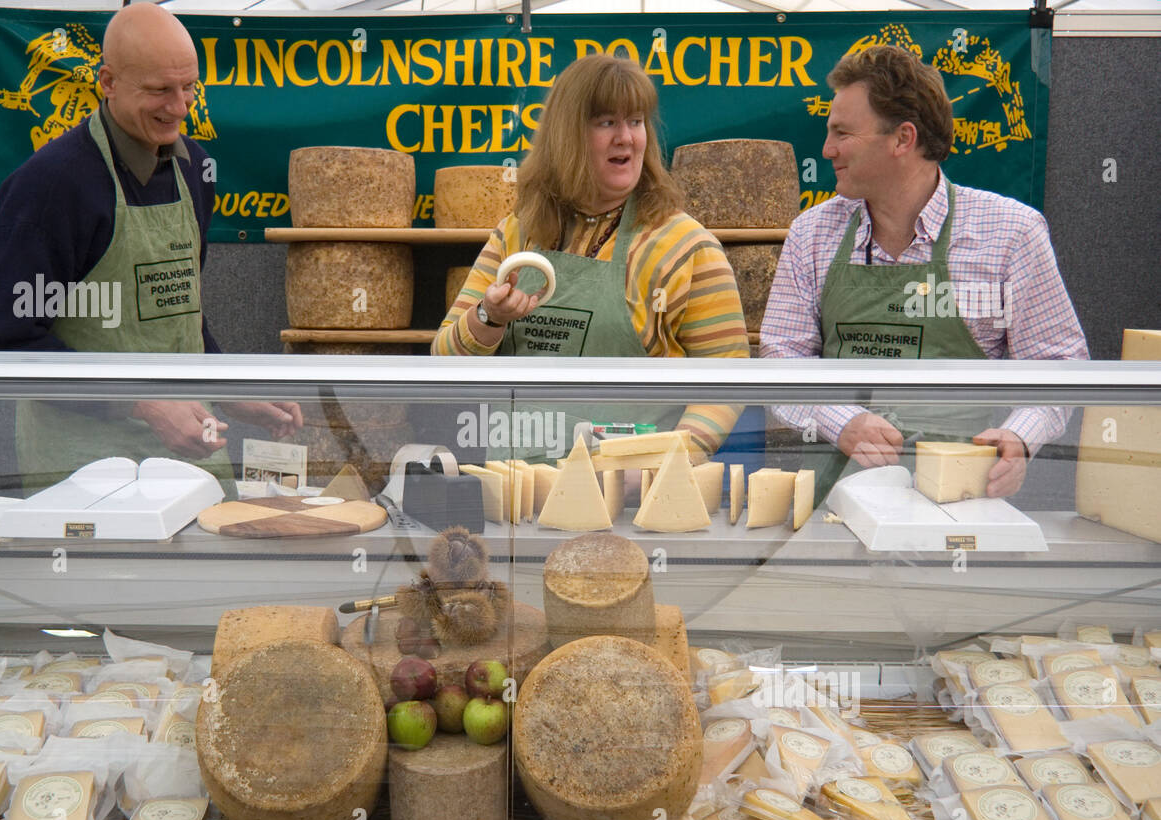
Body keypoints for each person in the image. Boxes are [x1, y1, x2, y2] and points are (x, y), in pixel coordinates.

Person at [0, 3, 299, 491]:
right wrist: (143, 403)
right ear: (107, 81)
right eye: (159, 90)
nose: (180, 106)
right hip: (86, 473)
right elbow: (6, 343)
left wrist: (230, 392)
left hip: (190, 460)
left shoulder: (195, 170)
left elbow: (180, 317)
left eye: (189, 87)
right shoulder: (52, 185)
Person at [759, 45, 1088, 502]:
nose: (826, 149)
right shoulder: (812, 233)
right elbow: (781, 363)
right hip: (837, 502)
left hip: (965, 504)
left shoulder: (1010, 232)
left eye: (842, 133)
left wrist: (1018, 439)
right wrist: (842, 421)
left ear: (902, 139)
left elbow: (1059, 367)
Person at [432, 54, 749, 458]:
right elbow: (443, 360)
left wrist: (667, 463)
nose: (627, 138)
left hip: (626, 500)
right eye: (606, 123)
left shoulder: (685, 247)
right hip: (511, 494)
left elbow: (727, 380)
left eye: (635, 121)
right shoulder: (518, 232)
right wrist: (488, 318)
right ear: (567, 136)